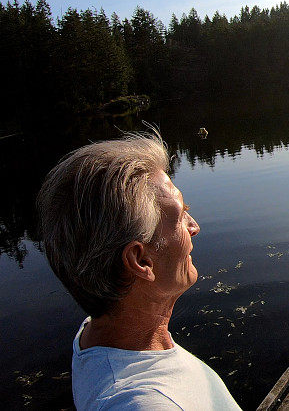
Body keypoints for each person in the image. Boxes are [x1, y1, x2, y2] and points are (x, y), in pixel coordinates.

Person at [37, 133, 241, 410]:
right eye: (180, 217)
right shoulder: (143, 403)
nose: (194, 226)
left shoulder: (100, 333)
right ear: (141, 260)